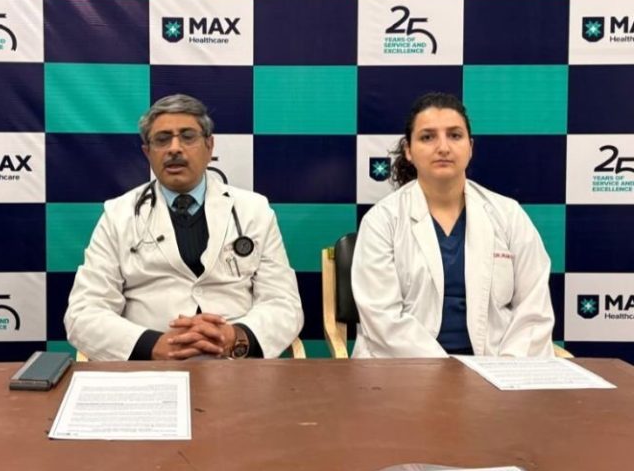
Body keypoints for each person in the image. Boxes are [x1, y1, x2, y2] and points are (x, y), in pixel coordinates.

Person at [64, 94, 303, 361]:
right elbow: (83, 313)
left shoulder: (254, 210)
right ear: (148, 152)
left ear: (209, 146)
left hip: (235, 365)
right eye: (162, 139)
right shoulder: (118, 215)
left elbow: (284, 304)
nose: (174, 148)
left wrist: (236, 337)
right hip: (150, 368)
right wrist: (152, 345)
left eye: (188, 137)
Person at [351, 92, 554, 358]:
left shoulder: (509, 215)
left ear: (470, 147)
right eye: (428, 137)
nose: (443, 147)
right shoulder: (382, 221)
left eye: (455, 135)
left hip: (495, 368)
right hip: (404, 370)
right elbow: (383, 321)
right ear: (409, 151)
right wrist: (445, 372)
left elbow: (534, 311)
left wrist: (506, 368)